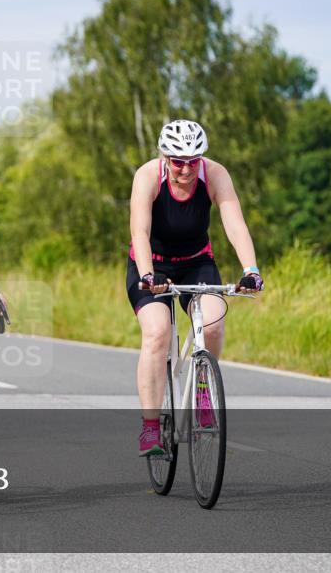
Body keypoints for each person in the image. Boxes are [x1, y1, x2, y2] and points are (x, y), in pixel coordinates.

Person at [127, 120, 264, 456]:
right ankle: (149, 428)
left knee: (214, 322)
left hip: (196, 260)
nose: (185, 169)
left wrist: (251, 270)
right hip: (152, 264)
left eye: (192, 161)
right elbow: (139, 232)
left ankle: (203, 392)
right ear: (164, 156)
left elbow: (234, 222)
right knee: (158, 332)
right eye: (177, 161)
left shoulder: (215, 174)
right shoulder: (147, 176)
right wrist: (147, 274)